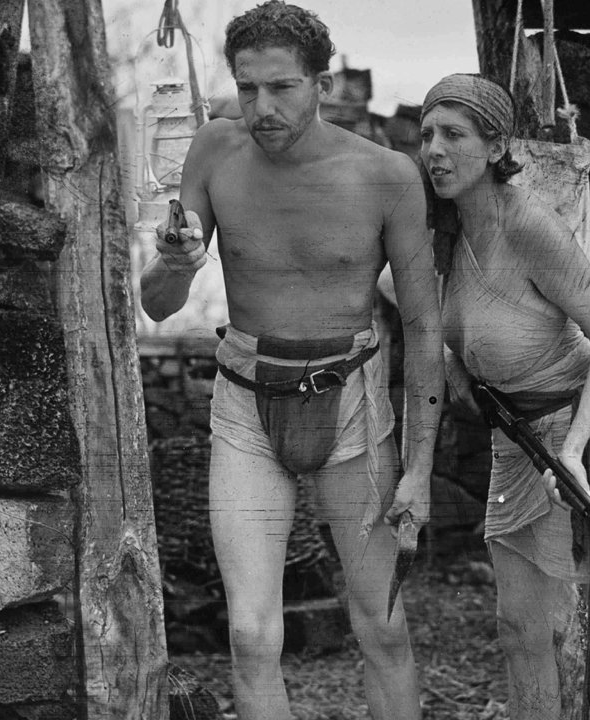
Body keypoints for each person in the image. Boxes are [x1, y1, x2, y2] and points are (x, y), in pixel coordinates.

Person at [140, 4, 443, 719]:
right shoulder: (213, 149)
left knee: (382, 625)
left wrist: (421, 469)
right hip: (246, 399)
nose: (261, 107)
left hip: (353, 402)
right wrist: (175, 263)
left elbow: (425, 327)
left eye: (281, 88)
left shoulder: (388, 175)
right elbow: (157, 305)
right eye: (247, 88)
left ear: (322, 86)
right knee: (250, 635)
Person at [419, 73, 590, 719]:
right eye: (426, 134)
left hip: (584, 429)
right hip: (516, 441)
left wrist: (572, 449)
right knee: (520, 629)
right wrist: (457, 366)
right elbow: (436, 319)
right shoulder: (441, 233)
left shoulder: (530, 226)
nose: (434, 150)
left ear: (495, 146)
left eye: (453, 134)